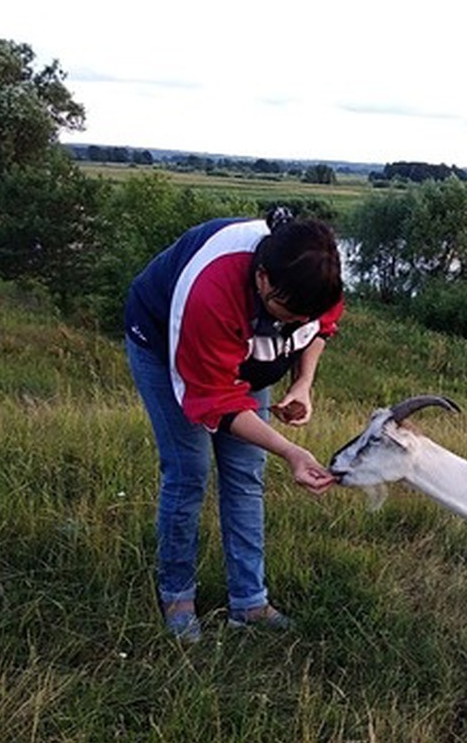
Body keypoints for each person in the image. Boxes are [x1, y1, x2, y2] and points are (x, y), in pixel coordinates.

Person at [124, 209, 343, 642]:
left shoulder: (317, 277)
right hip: (167, 341)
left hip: (240, 354)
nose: (295, 322)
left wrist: (302, 382)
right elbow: (214, 403)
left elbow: (320, 327)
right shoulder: (213, 289)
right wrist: (291, 451)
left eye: (304, 315)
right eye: (288, 312)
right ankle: (178, 596)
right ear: (262, 278)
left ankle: (249, 603)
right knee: (189, 473)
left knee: (245, 474)